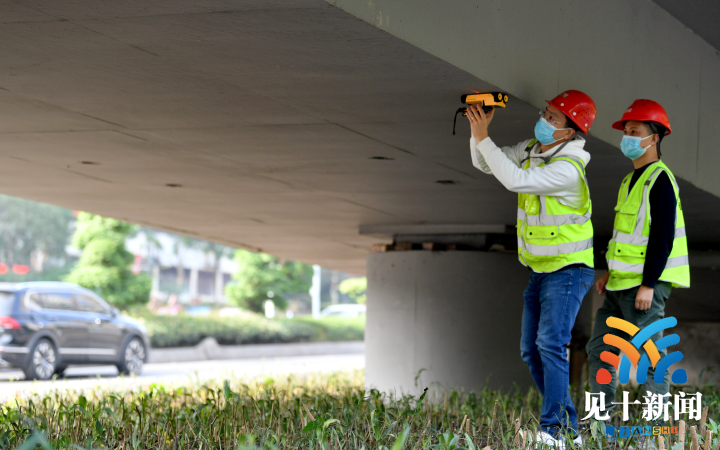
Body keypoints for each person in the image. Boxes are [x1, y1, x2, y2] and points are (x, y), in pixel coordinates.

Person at [466, 90, 597, 447]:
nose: (544, 119)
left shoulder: (568, 170)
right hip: (541, 270)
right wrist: (477, 133)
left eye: (553, 118)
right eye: (546, 112)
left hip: (569, 270)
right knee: (531, 349)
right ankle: (569, 425)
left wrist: (484, 137)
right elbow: (485, 164)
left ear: (569, 132)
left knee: (550, 344)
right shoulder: (531, 150)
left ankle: (553, 430)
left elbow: (516, 181)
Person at [586, 99, 690, 417]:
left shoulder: (660, 179)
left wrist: (648, 283)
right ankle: (599, 420)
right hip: (620, 284)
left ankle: (652, 429)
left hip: (645, 286)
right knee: (599, 350)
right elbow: (626, 236)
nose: (628, 136)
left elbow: (662, 236)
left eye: (636, 130)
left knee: (650, 356)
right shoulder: (629, 181)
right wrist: (608, 273)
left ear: (654, 137)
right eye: (626, 130)